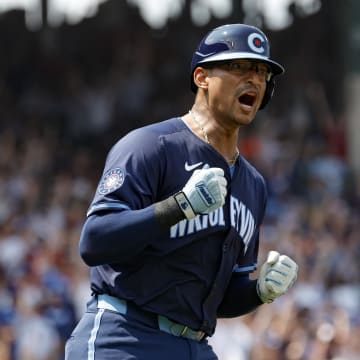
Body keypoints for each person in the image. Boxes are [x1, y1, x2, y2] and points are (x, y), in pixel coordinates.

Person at [65, 23, 298, 360]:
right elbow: (95, 241)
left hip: (194, 346)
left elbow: (222, 297)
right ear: (202, 77)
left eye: (262, 72)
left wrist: (260, 291)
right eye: (238, 67)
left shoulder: (254, 185)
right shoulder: (151, 146)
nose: (255, 80)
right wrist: (179, 206)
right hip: (124, 337)